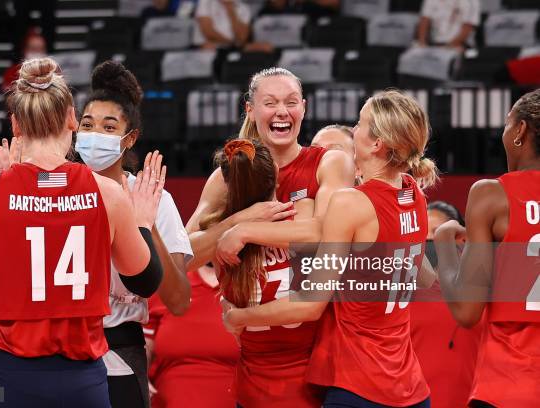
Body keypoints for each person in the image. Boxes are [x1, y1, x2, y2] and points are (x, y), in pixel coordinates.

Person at [0, 57, 163, 407]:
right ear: (71, 118)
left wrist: (11, 184)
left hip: (5, 376)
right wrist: (141, 221)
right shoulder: (108, 193)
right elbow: (145, 281)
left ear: (16, 125)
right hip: (80, 380)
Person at [223, 90, 438, 407]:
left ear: (377, 143)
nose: (354, 130)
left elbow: (309, 305)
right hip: (410, 386)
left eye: (360, 124)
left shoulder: (351, 202)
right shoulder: (413, 194)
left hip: (361, 384)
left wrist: (240, 316)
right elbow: (425, 278)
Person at [76, 60, 193, 408]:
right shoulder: (56, 189)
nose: (95, 134)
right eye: (87, 125)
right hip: (57, 348)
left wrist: (147, 222)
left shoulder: (155, 197)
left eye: (108, 127)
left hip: (121, 348)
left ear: (130, 138)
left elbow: (179, 300)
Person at [186, 67, 355, 272]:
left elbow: (327, 236)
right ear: (250, 110)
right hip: (246, 303)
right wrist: (238, 220)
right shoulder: (228, 175)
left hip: (305, 302)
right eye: (270, 103)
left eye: (291, 102)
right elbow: (183, 259)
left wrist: (246, 231)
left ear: (303, 108)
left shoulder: (330, 162)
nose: (282, 111)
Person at [434, 89, 540, 407]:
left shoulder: (492, 195)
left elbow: (467, 311)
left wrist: (444, 245)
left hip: (511, 381)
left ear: (520, 130)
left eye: (507, 124)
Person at [205, 139, 323, 407]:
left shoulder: (220, 238)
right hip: (306, 389)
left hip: (252, 390)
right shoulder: (303, 211)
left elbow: (233, 322)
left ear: (228, 184)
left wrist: (237, 226)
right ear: (277, 175)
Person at [410, 200, 482, 408]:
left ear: (460, 238)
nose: (430, 239)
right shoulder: (401, 292)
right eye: (423, 232)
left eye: (437, 232)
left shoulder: (483, 290)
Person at [144, 263, 239, 408]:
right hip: (169, 399)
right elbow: (145, 346)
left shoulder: (250, 285)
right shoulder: (169, 284)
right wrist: (140, 377)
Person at [416, 0, 480, 49]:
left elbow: (468, 27)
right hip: (435, 44)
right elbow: (424, 20)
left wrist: (449, 47)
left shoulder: (472, 1)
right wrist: (422, 42)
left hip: (462, 45)